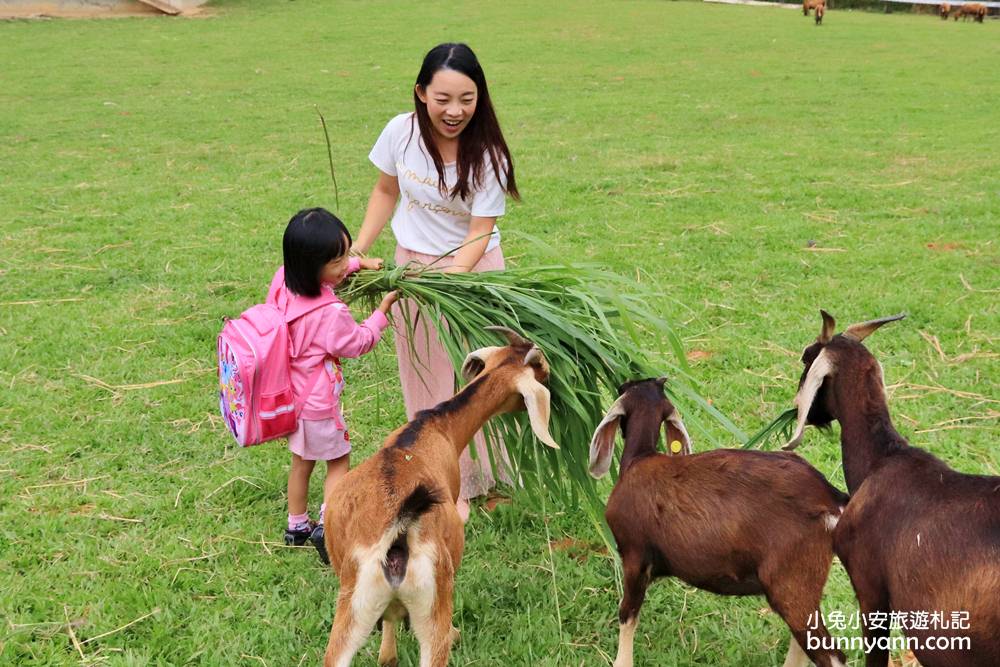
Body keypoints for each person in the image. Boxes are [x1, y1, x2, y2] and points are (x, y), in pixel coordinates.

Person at [352, 42, 520, 522]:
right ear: (421, 93)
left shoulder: (487, 153)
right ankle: (436, 481)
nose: (455, 110)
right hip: (414, 269)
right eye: (443, 98)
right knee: (425, 375)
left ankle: (482, 480)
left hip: (474, 274)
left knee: (478, 382)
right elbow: (385, 190)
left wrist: (450, 282)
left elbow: (478, 232)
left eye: (467, 99)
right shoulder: (399, 133)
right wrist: (360, 248)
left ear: (480, 98)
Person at [267, 207, 397, 561]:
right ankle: (329, 526)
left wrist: (358, 265)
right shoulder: (330, 313)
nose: (345, 264)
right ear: (313, 266)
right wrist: (381, 314)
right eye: (338, 259)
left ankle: (296, 525)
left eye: (346, 254)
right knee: (338, 461)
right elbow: (356, 343)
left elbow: (327, 276)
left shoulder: (283, 280)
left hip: (292, 397)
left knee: (301, 461)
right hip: (320, 404)